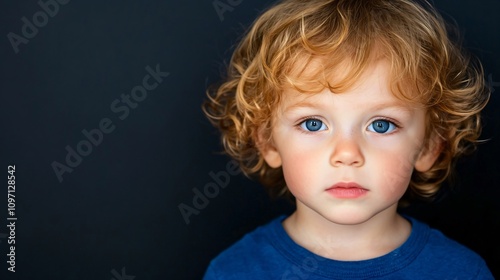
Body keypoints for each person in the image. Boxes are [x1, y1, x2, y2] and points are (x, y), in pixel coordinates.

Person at [201, 0, 494, 278]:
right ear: (268, 142)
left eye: (381, 125)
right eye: (313, 124)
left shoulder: (462, 273)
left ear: (429, 146)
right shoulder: (234, 272)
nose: (347, 153)